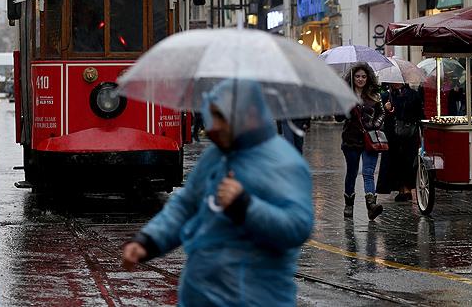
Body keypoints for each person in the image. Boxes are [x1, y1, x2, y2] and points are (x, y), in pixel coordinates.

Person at [121, 79, 314, 305]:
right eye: (212, 115)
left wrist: (245, 206)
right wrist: (148, 241)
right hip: (199, 295)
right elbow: (186, 205)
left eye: (221, 116)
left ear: (250, 114)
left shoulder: (284, 163)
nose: (213, 126)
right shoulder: (216, 156)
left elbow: (297, 226)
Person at [336, 63, 386, 220]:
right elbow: (338, 118)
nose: (360, 79)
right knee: (351, 172)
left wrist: (375, 125)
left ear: (368, 78)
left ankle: (371, 205)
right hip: (351, 139)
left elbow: (381, 113)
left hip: (370, 139)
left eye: (363, 76)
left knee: (368, 172)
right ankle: (349, 204)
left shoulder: (374, 95)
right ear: (352, 77)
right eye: (357, 76)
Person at [377, 83, 424, 201]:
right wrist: (386, 109)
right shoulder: (386, 96)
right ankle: (400, 188)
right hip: (392, 135)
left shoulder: (413, 95)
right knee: (395, 161)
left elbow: (418, 113)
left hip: (409, 134)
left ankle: (407, 188)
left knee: (408, 160)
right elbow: (380, 116)